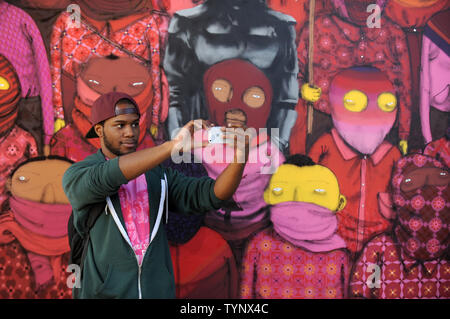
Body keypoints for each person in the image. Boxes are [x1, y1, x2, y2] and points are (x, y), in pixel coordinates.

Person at [62, 91, 249, 299]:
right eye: (120, 125)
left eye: (134, 124)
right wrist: (172, 147)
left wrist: (240, 157)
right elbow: (108, 176)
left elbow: (212, 194)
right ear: (99, 130)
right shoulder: (79, 174)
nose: (130, 132)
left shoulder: (157, 175)